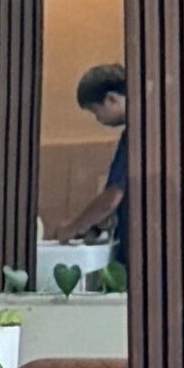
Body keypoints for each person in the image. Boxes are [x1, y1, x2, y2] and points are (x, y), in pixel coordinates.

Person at [58, 63, 129, 249]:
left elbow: (112, 197)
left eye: (96, 112)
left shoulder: (135, 137)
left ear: (112, 99)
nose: (99, 120)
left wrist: (73, 227)